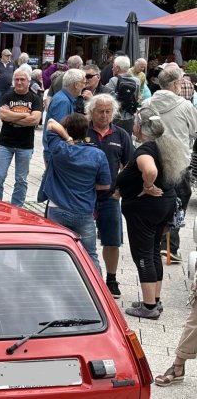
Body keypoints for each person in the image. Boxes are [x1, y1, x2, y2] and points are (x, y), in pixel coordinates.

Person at [116, 108, 188, 319]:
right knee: (154, 251)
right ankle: (154, 300)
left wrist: (148, 185)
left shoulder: (145, 150)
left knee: (143, 254)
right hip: (162, 206)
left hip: (144, 209)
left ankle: (148, 308)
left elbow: (150, 171)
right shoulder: (164, 145)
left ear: (139, 127)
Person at [40, 114, 112, 272]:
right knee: (90, 254)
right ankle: (97, 290)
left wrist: (67, 138)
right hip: (84, 211)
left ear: (66, 130)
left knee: (56, 254)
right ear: (86, 131)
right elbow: (105, 185)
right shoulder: (98, 154)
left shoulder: (60, 148)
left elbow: (51, 123)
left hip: (57, 208)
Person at [141, 66, 197, 264]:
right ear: (175, 84)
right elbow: (194, 131)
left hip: (151, 160)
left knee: (153, 201)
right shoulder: (185, 106)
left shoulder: (147, 103)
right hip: (179, 162)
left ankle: (152, 243)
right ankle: (171, 247)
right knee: (178, 203)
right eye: (181, 82)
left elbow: (140, 131)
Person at [85, 95, 133, 297]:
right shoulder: (83, 131)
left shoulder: (120, 135)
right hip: (84, 196)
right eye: (100, 111)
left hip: (109, 197)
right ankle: (86, 278)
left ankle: (111, 279)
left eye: (108, 111)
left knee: (112, 240)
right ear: (91, 112)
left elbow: (131, 166)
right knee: (82, 241)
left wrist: (120, 191)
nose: (104, 115)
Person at [0, 69, 42, 207]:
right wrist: (25, 115)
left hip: (25, 145)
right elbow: (3, 116)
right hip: (5, 143)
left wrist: (12, 116)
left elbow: (35, 120)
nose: (19, 82)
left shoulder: (35, 98)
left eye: (22, 79)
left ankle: (17, 208)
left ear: (28, 81)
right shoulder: (7, 96)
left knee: (21, 180)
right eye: (17, 79)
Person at [43, 68, 85, 161]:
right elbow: (57, 127)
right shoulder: (63, 101)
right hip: (56, 152)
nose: (84, 86)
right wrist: (69, 141)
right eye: (83, 83)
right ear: (76, 85)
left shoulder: (63, 98)